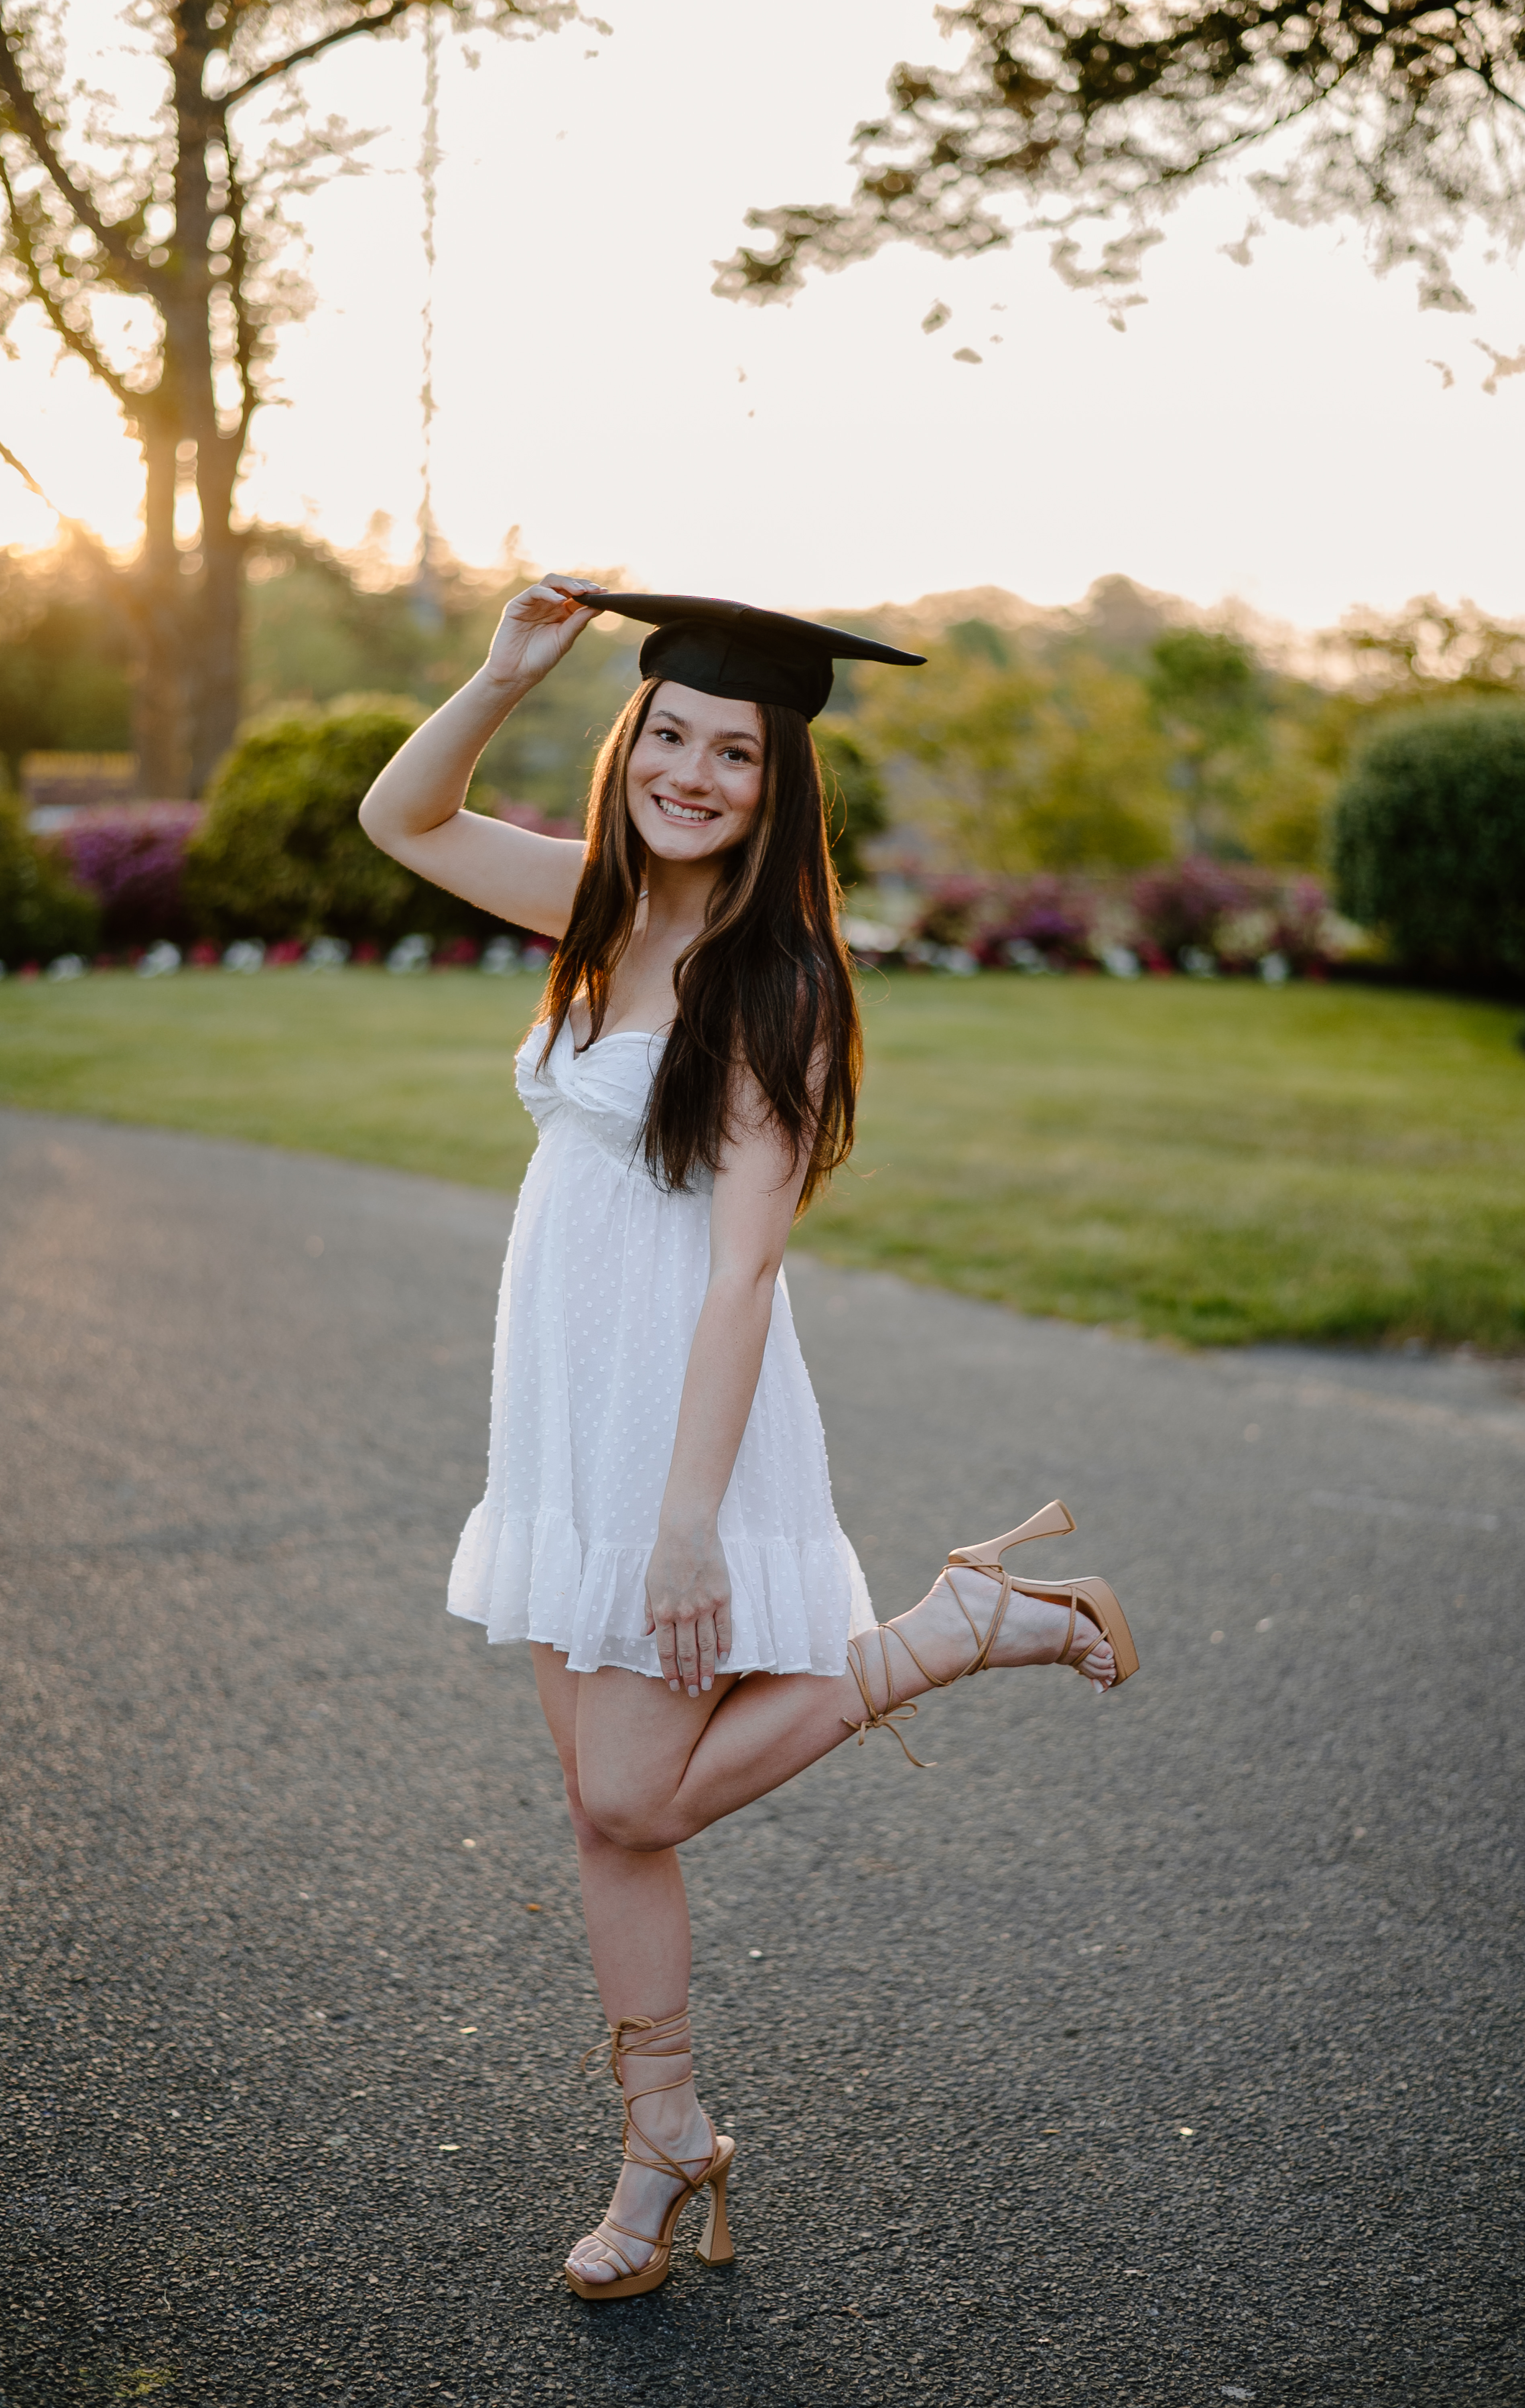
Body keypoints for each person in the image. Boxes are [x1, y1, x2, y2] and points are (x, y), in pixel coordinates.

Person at [359, 578, 1138, 2302]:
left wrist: (689, 1524)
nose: (696, 775)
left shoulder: (772, 980)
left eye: (736, 754)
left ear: (779, 788)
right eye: (675, 739)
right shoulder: (590, 905)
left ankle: (951, 1629)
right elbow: (398, 814)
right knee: (604, 1816)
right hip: (562, 1416)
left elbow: (740, 1278)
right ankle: (665, 2145)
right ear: (633, 744)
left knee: (632, 1788)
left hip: (673, 1430)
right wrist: (501, 676)